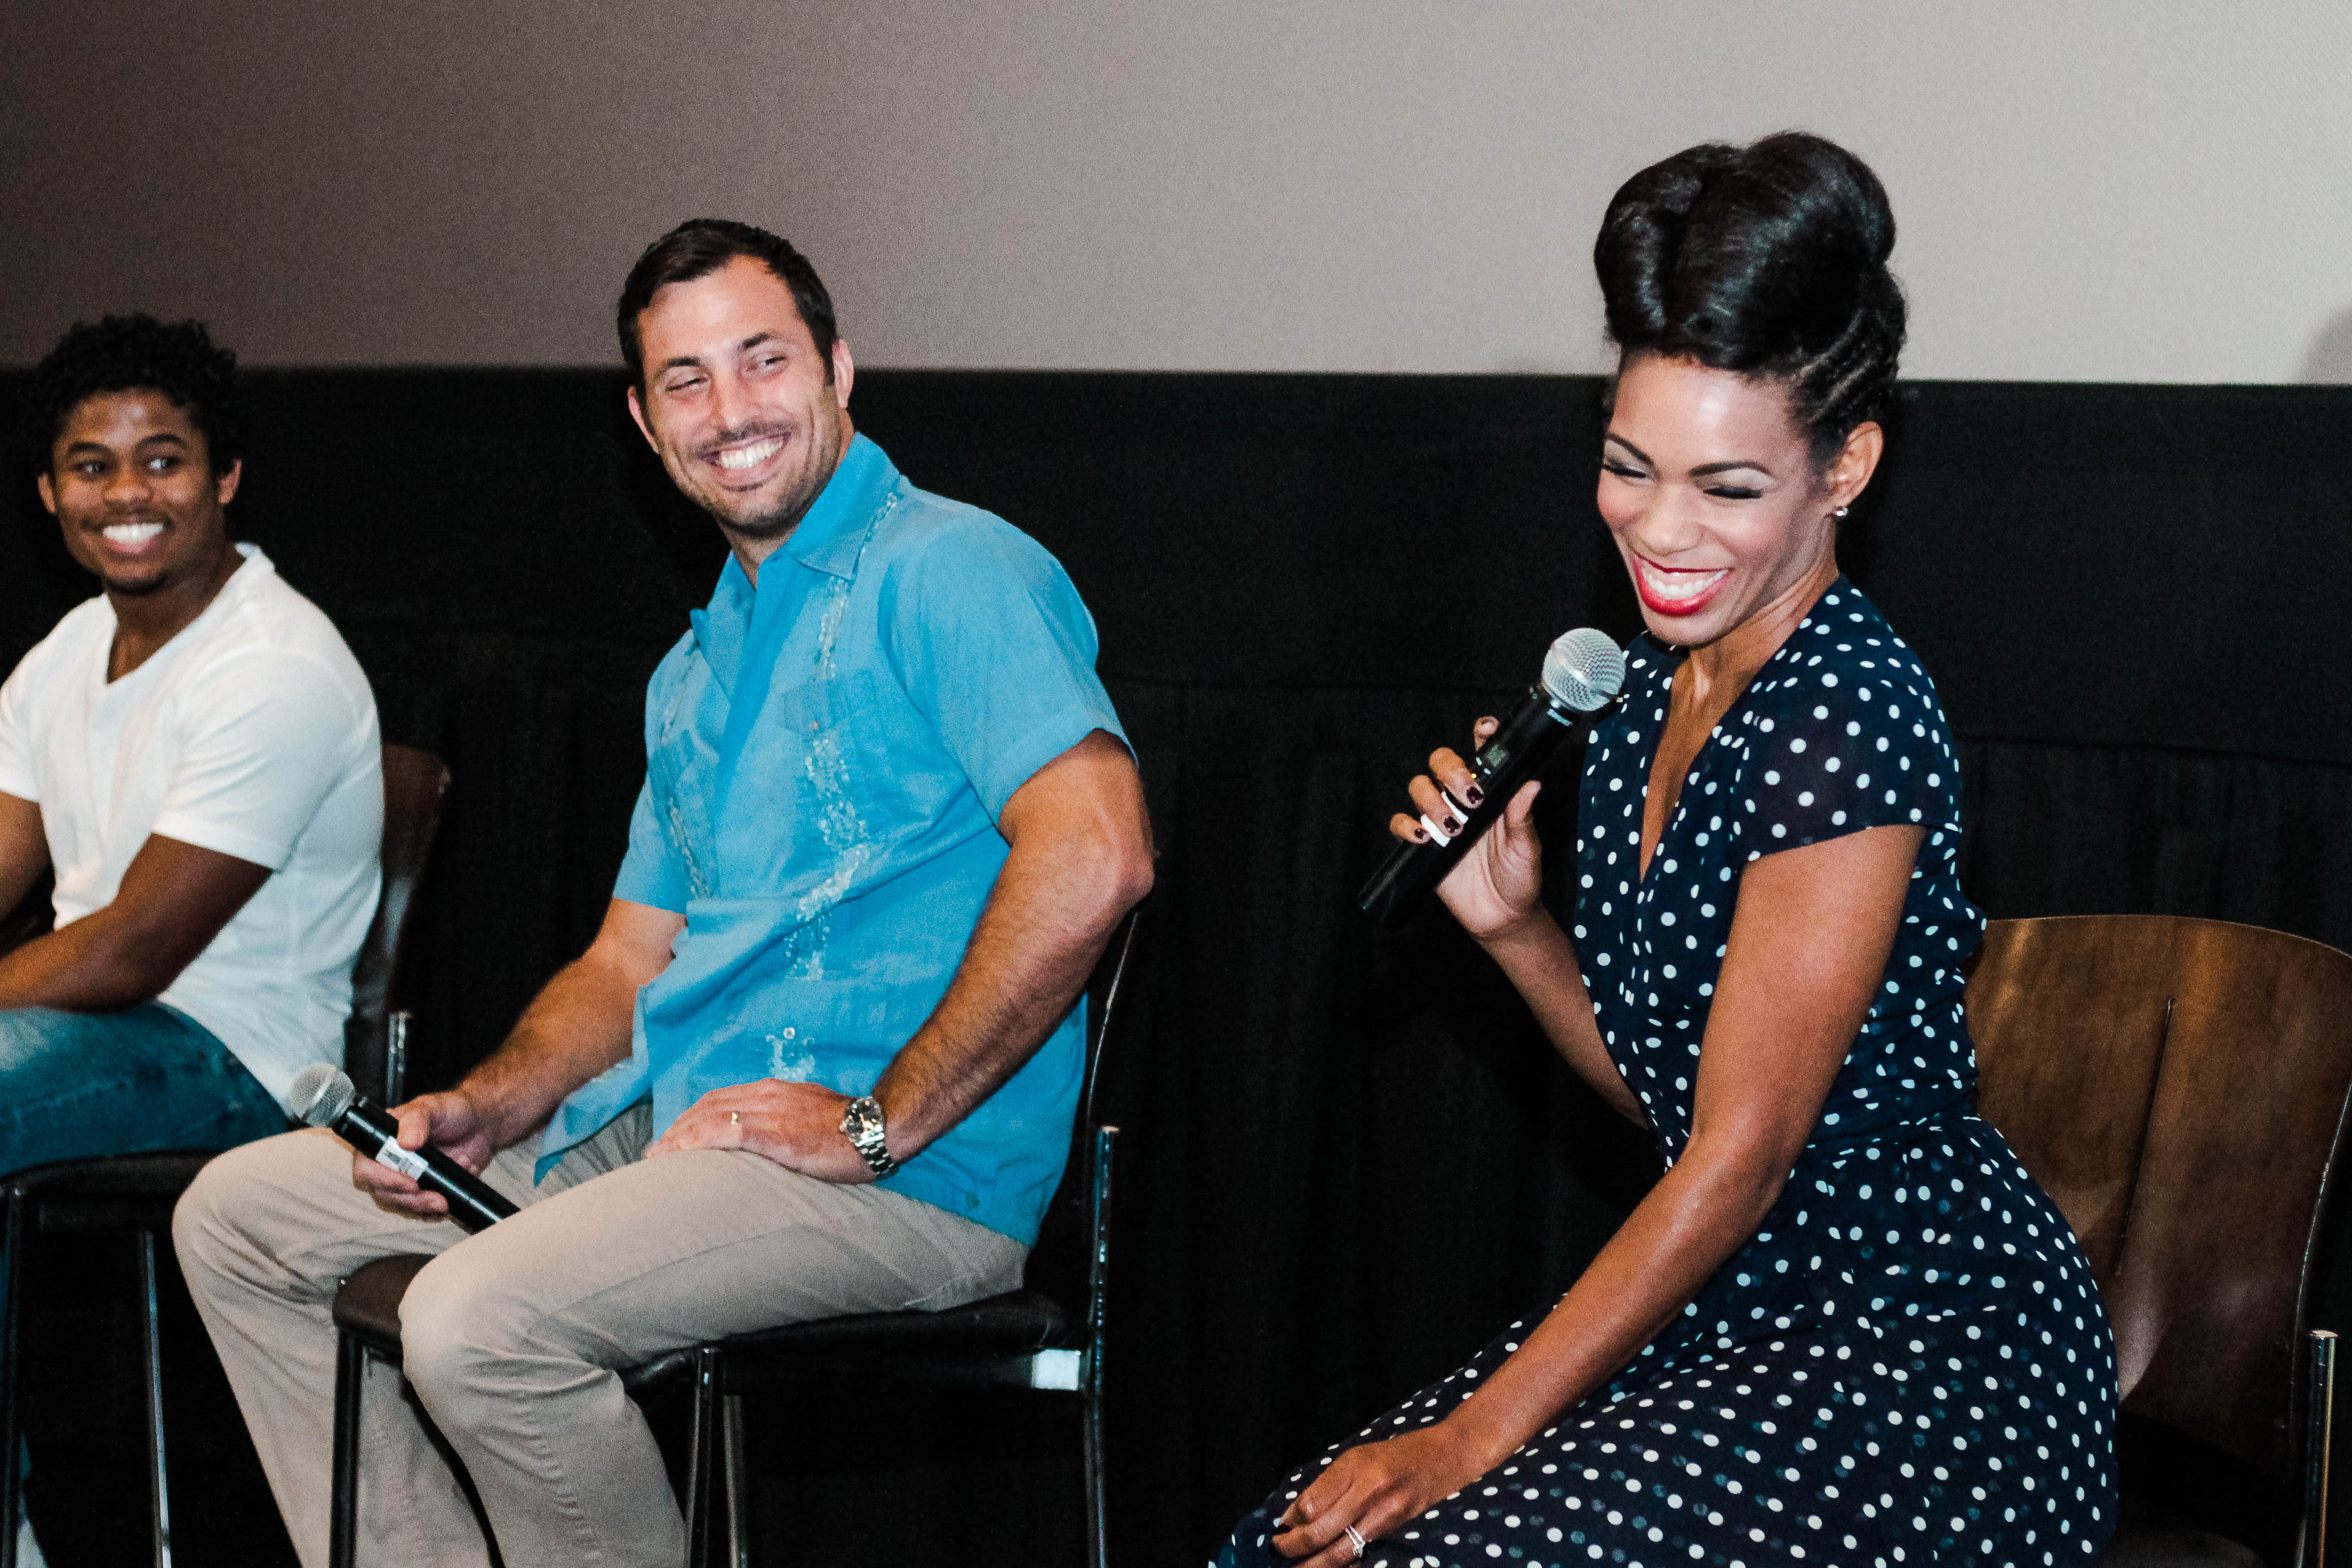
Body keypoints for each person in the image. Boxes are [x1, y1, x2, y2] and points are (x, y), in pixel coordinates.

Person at [175, 219, 1155, 1568]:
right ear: (644, 423)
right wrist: (492, 1103)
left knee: (476, 1322)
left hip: (913, 1178)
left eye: (763, 360)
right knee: (238, 1219)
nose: (730, 409)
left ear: (839, 370)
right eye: (685, 380)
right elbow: (628, 958)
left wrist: (877, 1123)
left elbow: (1101, 853)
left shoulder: (951, 566)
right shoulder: (692, 669)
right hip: (678, 1130)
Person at [1218, 135, 2116, 1568]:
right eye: (1628, 467)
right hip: (1739, 1301)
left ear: (1845, 467)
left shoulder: (1844, 717)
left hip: (1916, 1347)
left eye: (1727, 487)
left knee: (1430, 1543)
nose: (1661, 528)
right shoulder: (1645, 681)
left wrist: (1468, 1441)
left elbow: (1741, 1160)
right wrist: (1516, 931)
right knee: (1284, 1547)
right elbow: (1684, 1103)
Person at [0, 314, 383, 1564]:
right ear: (50, 492)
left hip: (240, 1062)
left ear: (225, 478)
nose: (128, 494)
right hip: (94, 1036)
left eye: (162, 460)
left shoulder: (276, 663)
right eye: (93, 465)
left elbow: (131, 951)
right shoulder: (69, 652)